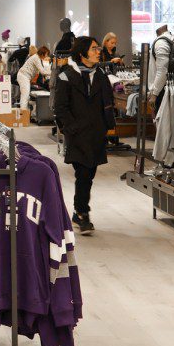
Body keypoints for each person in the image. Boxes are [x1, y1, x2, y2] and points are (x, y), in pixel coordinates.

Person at [53, 36, 116, 235]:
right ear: (82, 53)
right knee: (83, 173)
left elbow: (107, 104)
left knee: (89, 175)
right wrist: (70, 128)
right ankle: (82, 213)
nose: (99, 51)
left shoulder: (101, 76)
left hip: (96, 134)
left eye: (98, 48)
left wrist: (107, 127)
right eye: (94, 49)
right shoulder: (66, 76)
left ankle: (78, 211)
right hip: (77, 134)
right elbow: (60, 107)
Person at [147, 24, 174, 113]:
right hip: (166, 88)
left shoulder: (161, 42)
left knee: (161, 122)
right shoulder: (170, 39)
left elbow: (162, 71)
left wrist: (154, 94)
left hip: (161, 91)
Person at [17, 45, 52, 110]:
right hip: (23, 76)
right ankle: (24, 115)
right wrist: (53, 73)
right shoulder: (36, 58)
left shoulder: (37, 58)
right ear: (42, 53)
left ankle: (25, 113)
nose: (46, 56)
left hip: (25, 76)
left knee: (26, 95)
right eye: (46, 54)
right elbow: (43, 71)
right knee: (25, 95)